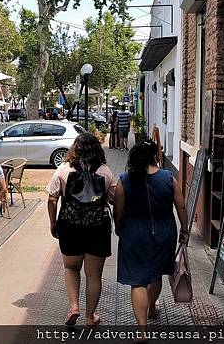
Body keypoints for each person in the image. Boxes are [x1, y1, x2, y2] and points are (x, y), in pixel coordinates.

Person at [114, 140, 189, 329]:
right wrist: (185, 229)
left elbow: (119, 211)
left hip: (133, 233)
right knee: (155, 275)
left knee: (137, 281)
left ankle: (142, 330)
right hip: (164, 233)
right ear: (155, 156)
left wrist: (119, 228)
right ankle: (152, 307)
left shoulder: (124, 180)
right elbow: (181, 206)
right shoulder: (169, 178)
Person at [46, 133, 117, 327]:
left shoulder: (63, 169)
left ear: (74, 149)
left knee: (71, 267)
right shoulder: (105, 171)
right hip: (98, 227)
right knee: (93, 276)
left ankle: (74, 307)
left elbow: (52, 198)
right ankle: (90, 317)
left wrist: (53, 222)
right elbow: (114, 198)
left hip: (70, 225)